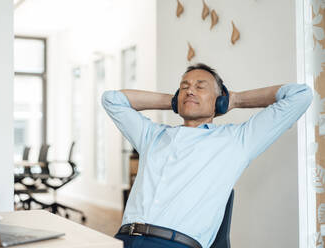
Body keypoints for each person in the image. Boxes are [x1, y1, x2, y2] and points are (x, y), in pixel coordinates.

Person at [101, 63, 313, 248]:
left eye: (200, 87)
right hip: (123, 239)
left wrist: (236, 100)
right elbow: (112, 99)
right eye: (184, 87)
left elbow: (300, 95)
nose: (190, 91)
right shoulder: (152, 136)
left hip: (174, 243)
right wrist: (174, 101)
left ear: (220, 100)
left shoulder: (236, 141)